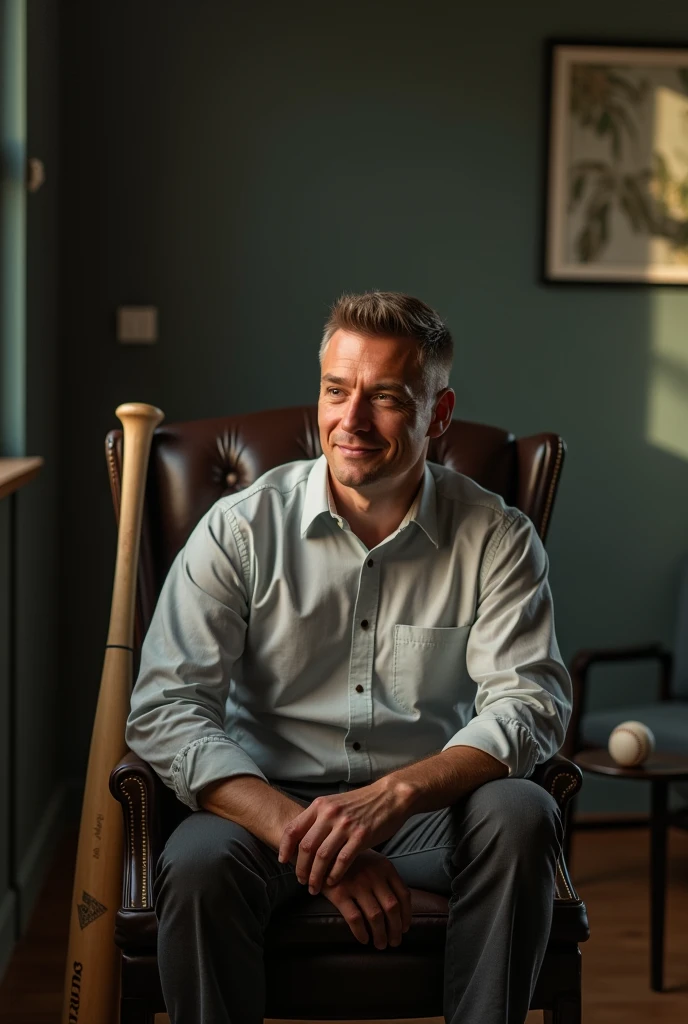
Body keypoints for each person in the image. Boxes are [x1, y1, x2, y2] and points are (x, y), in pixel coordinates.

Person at [126, 290, 572, 1024]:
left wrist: (393, 799)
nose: (352, 420)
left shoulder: (497, 539)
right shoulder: (238, 532)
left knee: (522, 811)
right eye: (337, 391)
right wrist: (317, 840)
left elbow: (529, 705)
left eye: (387, 398)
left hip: (431, 813)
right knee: (199, 863)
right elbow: (167, 711)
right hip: (261, 807)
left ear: (439, 413)